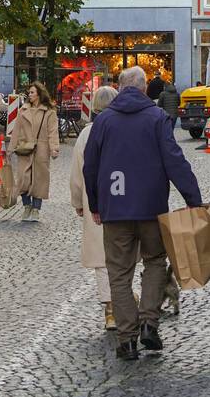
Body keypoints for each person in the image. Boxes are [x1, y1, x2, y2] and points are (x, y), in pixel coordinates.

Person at [83, 65, 203, 360]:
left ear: (121, 87)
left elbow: (90, 166)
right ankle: (149, 322)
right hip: (150, 207)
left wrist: (96, 205)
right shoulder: (156, 118)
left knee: (119, 273)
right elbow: (175, 160)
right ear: (144, 86)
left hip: (115, 208)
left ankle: (126, 339)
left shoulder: (104, 121)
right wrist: (193, 199)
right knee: (153, 263)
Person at [70, 86, 118, 328]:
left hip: (95, 203)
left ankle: (110, 309)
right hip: (123, 201)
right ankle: (123, 301)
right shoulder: (123, 130)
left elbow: (78, 173)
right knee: (123, 254)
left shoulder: (86, 134)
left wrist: (78, 202)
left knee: (101, 257)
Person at [8, 81, 60, 221]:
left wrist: (54, 148)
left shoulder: (49, 112)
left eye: (32, 92)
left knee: (39, 180)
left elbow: (52, 132)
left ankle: (36, 209)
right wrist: (10, 148)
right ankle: (26, 207)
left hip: (41, 149)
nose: (29, 95)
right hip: (24, 149)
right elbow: (16, 131)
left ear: (39, 94)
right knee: (23, 179)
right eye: (29, 92)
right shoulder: (22, 111)